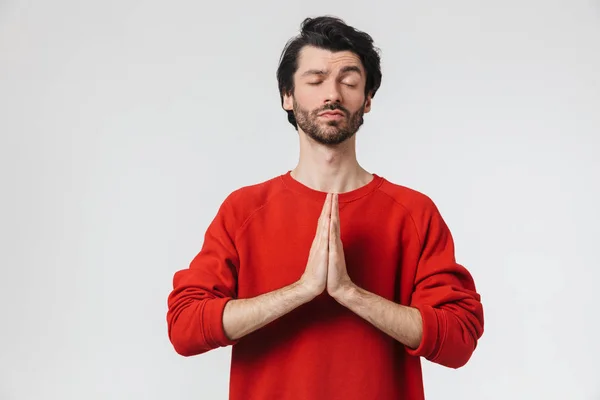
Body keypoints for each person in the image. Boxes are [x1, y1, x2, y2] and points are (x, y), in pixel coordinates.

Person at [166, 15, 484, 400]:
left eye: (348, 81)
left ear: (367, 99)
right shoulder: (243, 210)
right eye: (315, 81)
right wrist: (302, 291)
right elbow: (184, 328)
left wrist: (350, 294)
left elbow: (458, 339)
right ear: (288, 96)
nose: (331, 94)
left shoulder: (413, 213)